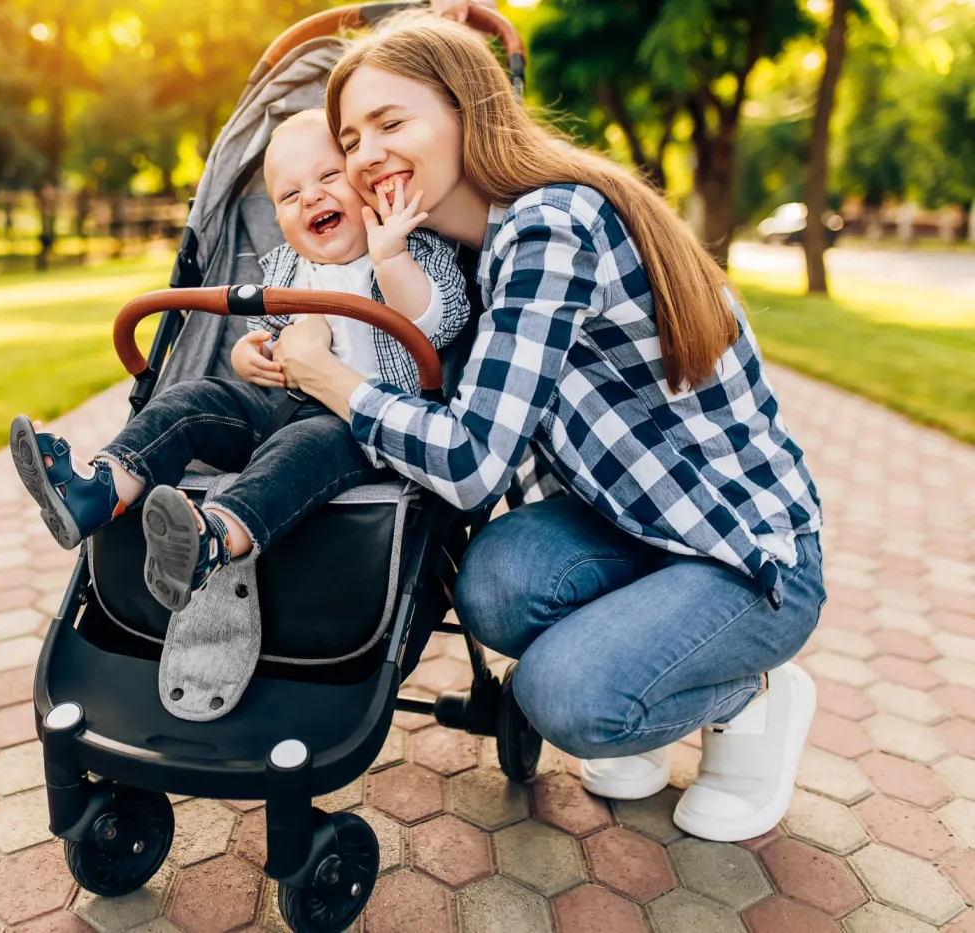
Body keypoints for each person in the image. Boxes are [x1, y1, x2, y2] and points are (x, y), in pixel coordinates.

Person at [269, 13, 825, 843]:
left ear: (469, 111)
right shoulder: (443, 251)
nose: (364, 155)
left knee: (567, 697)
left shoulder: (548, 225)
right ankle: (648, 674)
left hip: (741, 549)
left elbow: (469, 462)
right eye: (350, 138)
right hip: (629, 523)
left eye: (393, 122)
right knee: (492, 581)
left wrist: (331, 380)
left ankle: (756, 693)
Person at [9, 109, 469, 613]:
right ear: (279, 222)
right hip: (277, 407)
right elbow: (264, 338)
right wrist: (247, 354)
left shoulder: (410, 247)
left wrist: (390, 257)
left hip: (361, 430)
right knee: (190, 399)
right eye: (290, 196)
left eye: (329, 177)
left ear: (369, 183)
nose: (310, 197)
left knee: (308, 441)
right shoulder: (287, 268)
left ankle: (215, 537)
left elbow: (436, 323)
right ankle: (99, 489)